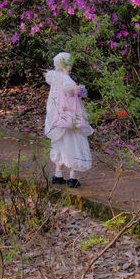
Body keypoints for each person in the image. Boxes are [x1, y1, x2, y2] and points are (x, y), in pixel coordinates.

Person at [44, 51, 93, 188]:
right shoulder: (66, 79)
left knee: (60, 144)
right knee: (75, 144)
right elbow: (72, 90)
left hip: (58, 118)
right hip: (70, 118)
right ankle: (72, 178)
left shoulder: (55, 77)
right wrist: (81, 90)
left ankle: (58, 175)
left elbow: (49, 77)